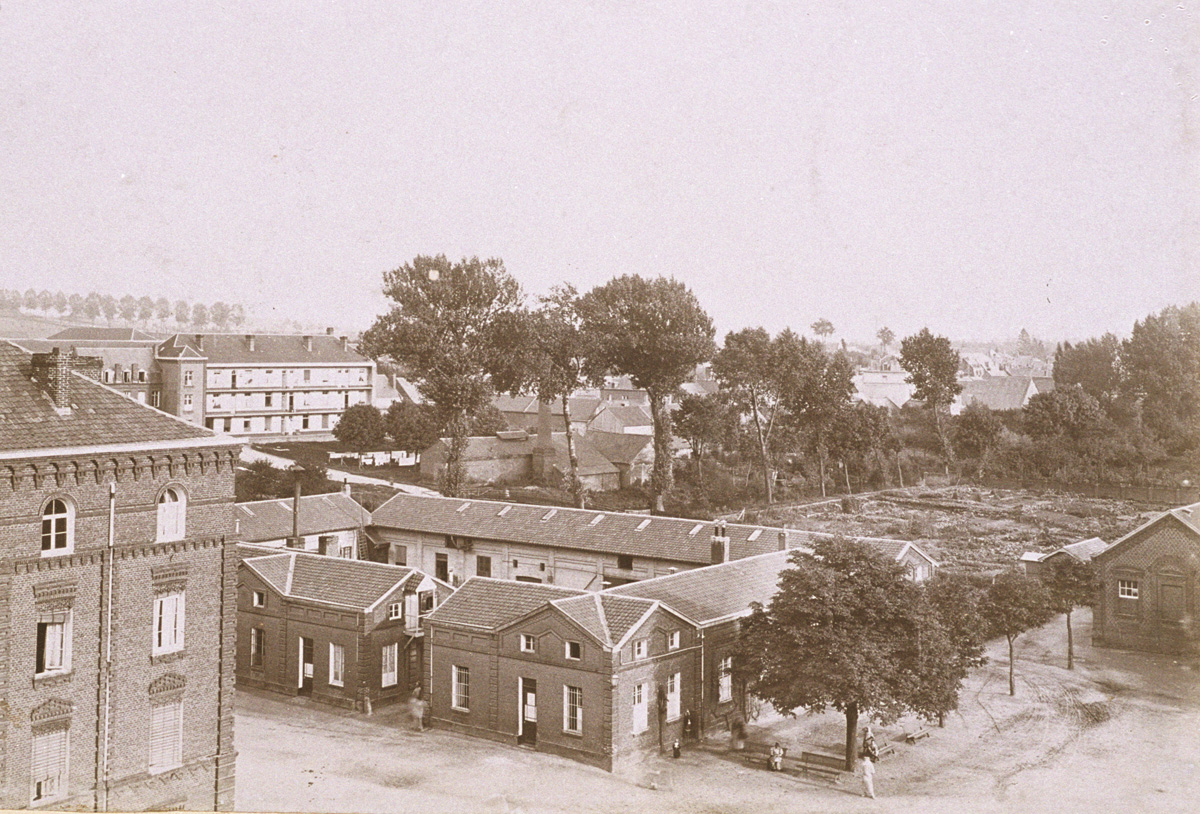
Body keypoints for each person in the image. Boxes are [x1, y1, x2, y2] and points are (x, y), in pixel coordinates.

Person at [861, 726, 879, 799]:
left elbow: (870, 742)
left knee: (867, 784)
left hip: (869, 748)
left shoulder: (870, 736)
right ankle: (866, 793)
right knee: (866, 783)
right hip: (867, 748)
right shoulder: (866, 735)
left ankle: (869, 793)